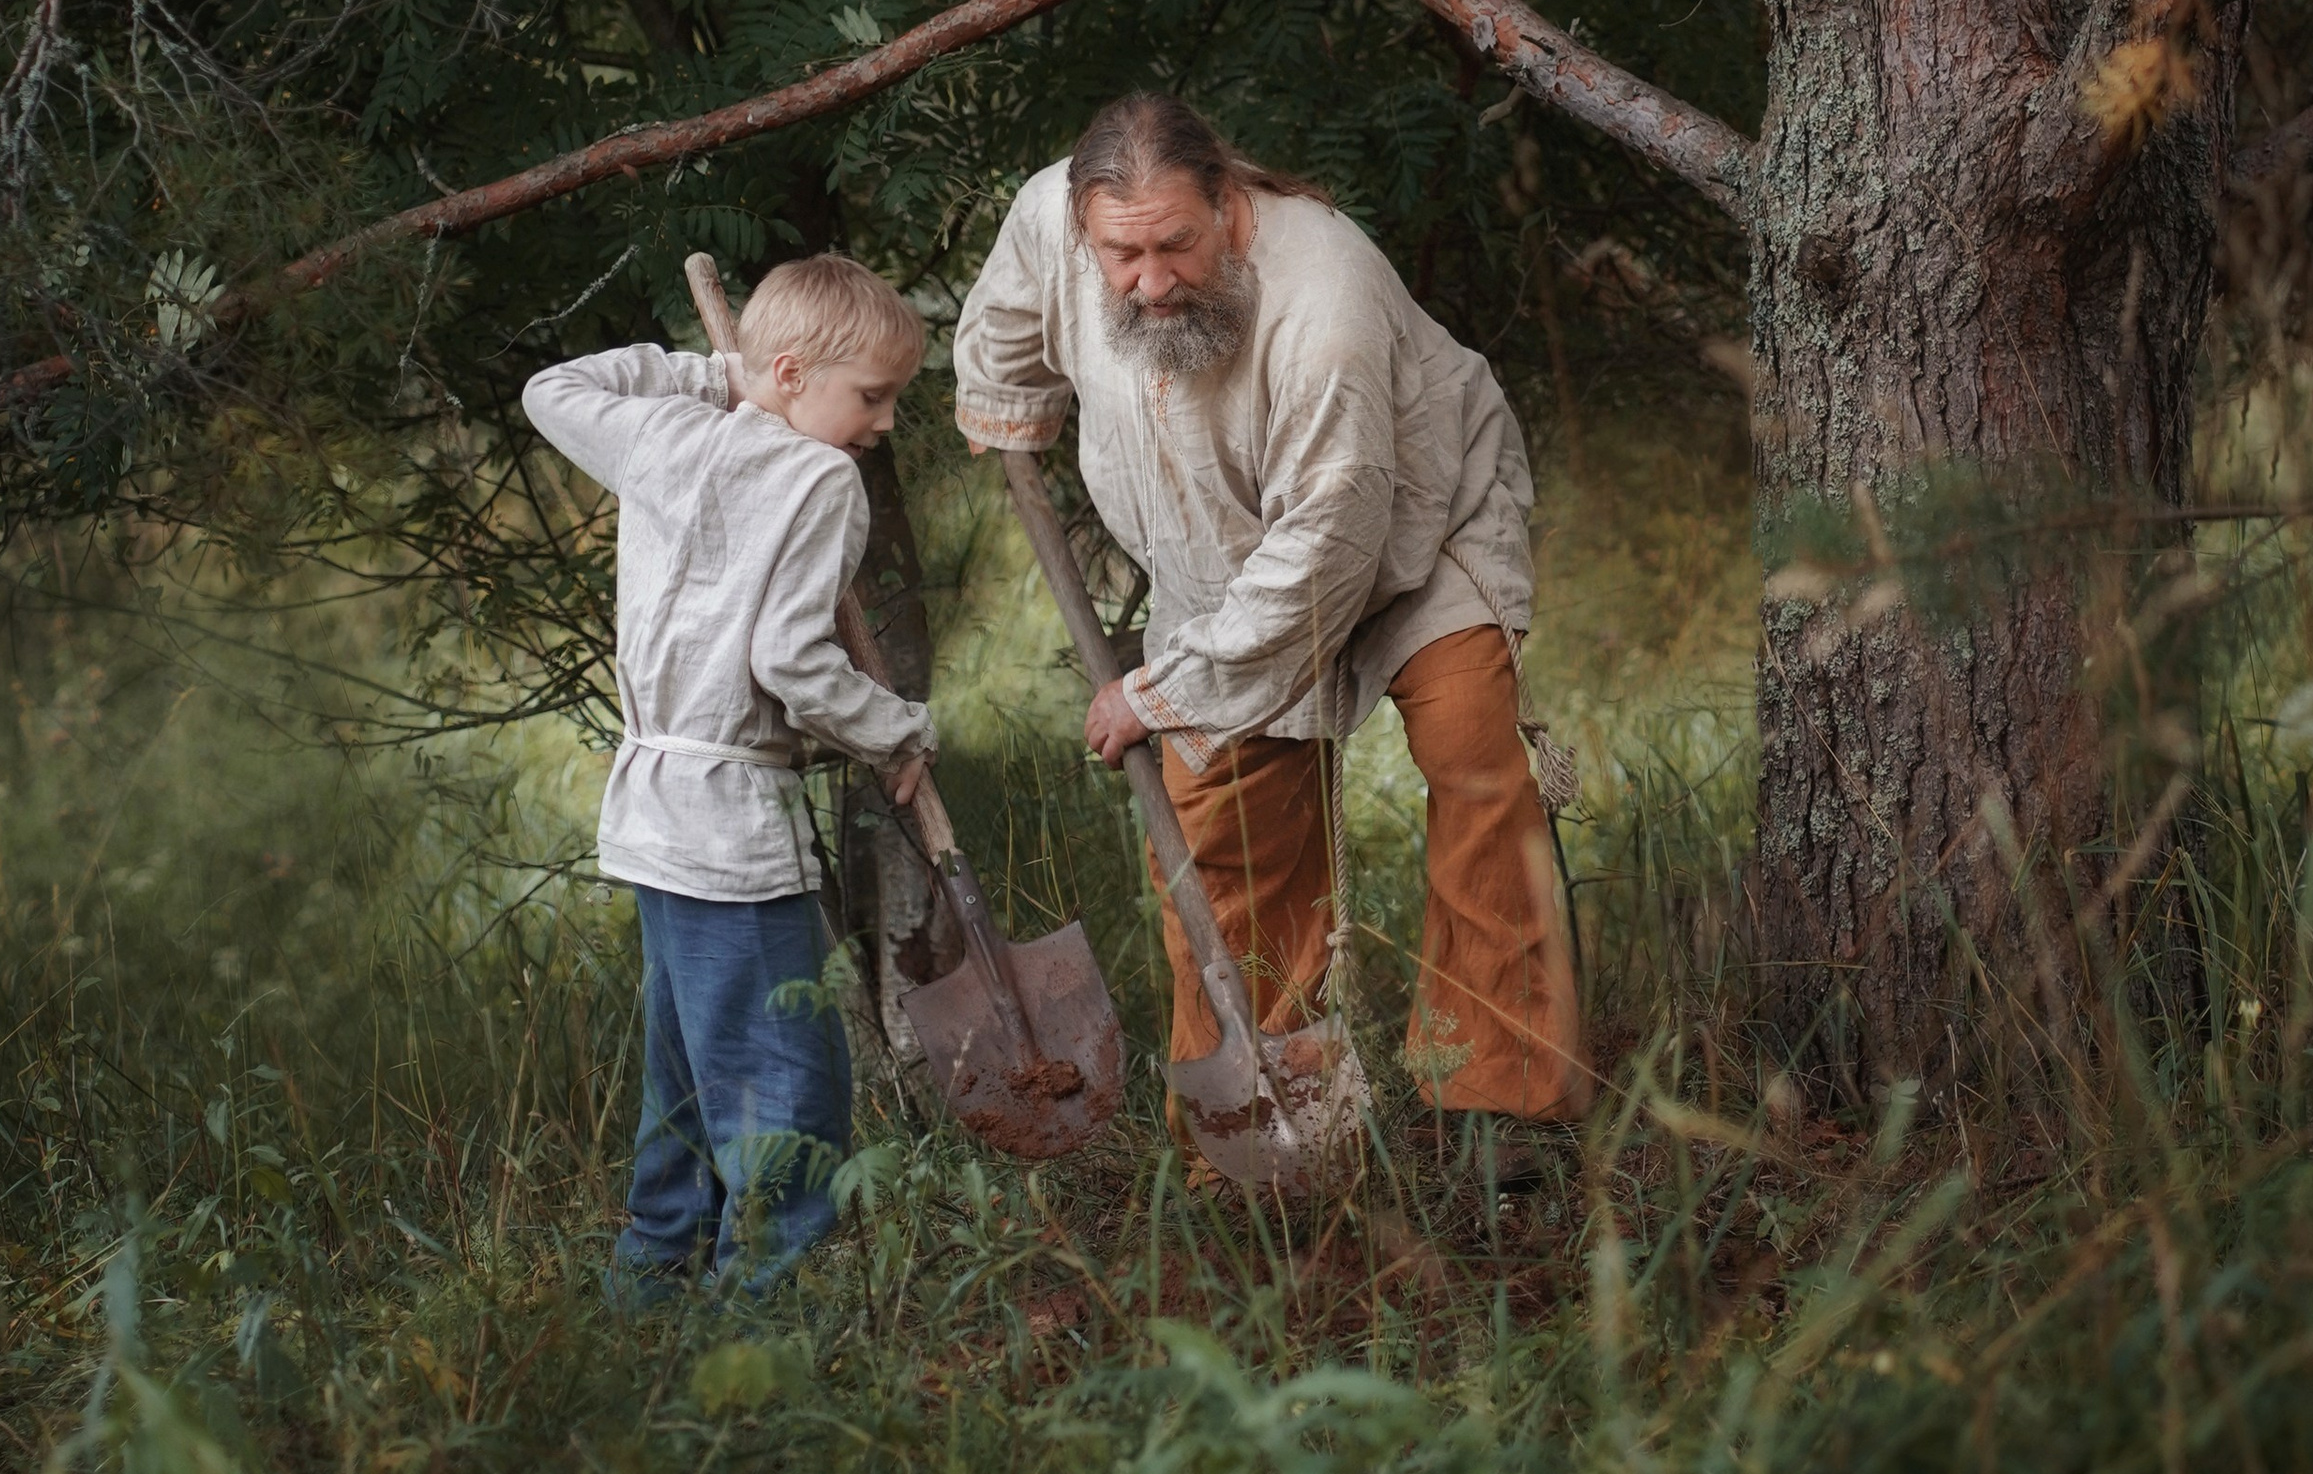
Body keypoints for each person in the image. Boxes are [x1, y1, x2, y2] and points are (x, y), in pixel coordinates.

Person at [954, 94, 1592, 1162]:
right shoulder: (1047, 220)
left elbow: (1324, 562)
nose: (1150, 281)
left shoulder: (1324, 302)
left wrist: (1153, 694)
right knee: (1228, 849)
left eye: (1175, 245)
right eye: (1121, 254)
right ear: (1081, 227)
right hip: (1219, 572)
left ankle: (1501, 1106)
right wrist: (1000, 405)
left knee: (1475, 772)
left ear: (1230, 205)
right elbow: (1007, 326)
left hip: (1416, 533)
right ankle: (1256, 1139)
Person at [523, 254, 937, 1300]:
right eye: (873, 396)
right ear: (792, 370)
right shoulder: (818, 477)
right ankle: (771, 1308)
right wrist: (894, 727)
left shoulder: (666, 434)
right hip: (730, 826)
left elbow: (551, 390)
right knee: (783, 1075)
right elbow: (794, 666)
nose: (882, 422)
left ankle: (652, 1274)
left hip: (651, 816)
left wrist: (723, 381)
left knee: (685, 1071)